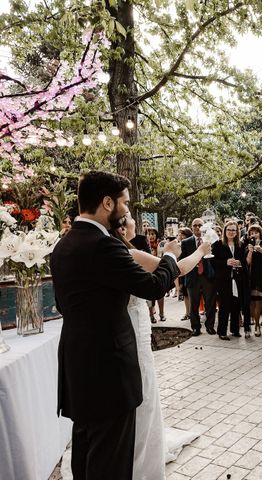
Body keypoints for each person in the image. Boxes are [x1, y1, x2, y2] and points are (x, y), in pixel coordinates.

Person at [50, 170, 180, 479]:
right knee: (111, 461)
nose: (126, 209)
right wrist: (170, 258)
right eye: (124, 202)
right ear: (107, 203)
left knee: (86, 452)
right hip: (108, 371)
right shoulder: (103, 245)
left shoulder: (62, 246)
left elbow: (62, 304)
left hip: (78, 366)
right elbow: (151, 287)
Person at [114, 214, 209, 479]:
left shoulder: (125, 251)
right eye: (131, 218)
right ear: (122, 227)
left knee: (143, 383)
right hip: (133, 327)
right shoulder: (131, 254)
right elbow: (179, 269)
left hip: (136, 323)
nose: (137, 222)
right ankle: (140, 455)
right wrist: (201, 250)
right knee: (142, 385)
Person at [212, 221, 251, 339]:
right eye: (229, 229)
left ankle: (235, 330)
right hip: (224, 279)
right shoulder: (218, 244)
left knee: (236, 305)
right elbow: (212, 261)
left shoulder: (241, 244)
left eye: (234, 230)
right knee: (224, 305)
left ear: (237, 232)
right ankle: (222, 332)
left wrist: (240, 263)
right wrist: (226, 262)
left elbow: (245, 262)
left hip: (238, 278)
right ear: (225, 231)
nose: (231, 232)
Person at [179, 218, 217, 336]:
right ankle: (195, 327)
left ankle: (210, 326)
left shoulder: (209, 240)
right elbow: (181, 259)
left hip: (207, 276)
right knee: (193, 304)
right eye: (194, 225)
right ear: (191, 227)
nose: (197, 227)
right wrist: (191, 263)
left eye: (199, 225)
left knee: (210, 303)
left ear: (203, 226)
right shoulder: (186, 242)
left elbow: (215, 259)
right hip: (192, 277)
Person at [245, 225, 262, 337]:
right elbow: (247, 263)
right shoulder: (247, 245)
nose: (253, 234)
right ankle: (255, 325)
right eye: (251, 233)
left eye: (255, 232)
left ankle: (261, 323)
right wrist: (250, 251)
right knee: (253, 302)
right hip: (252, 277)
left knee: (261, 301)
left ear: (260, 233)